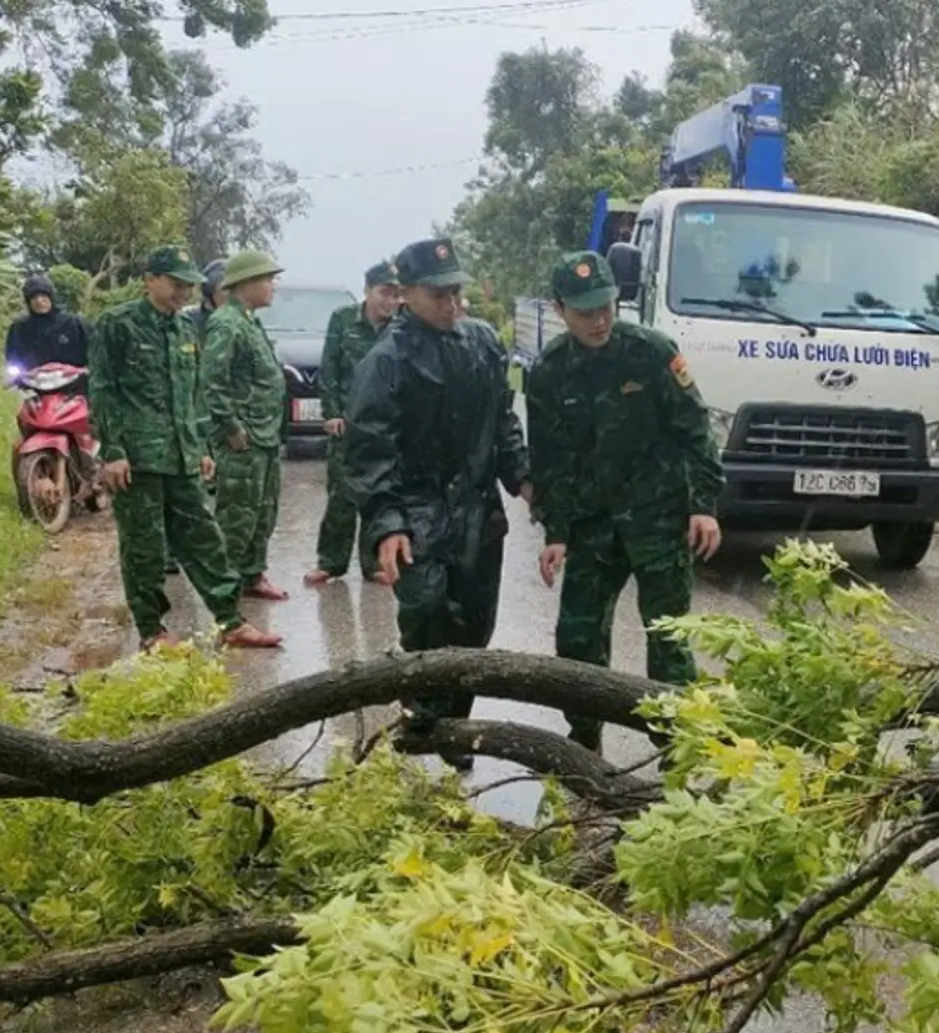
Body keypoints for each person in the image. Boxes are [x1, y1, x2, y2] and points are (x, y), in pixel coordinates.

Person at [525, 250, 724, 753]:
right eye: (586, 310)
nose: (599, 320)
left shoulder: (652, 353)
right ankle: (584, 740)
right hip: (593, 526)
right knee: (578, 639)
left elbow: (696, 431)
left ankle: (674, 750)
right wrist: (555, 532)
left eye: (607, 306)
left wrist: (703, 505)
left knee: (668, 640)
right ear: (560, 308)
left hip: (658, 520)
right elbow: (550, 461)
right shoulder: (549, 371)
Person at [343, 237, 530, 770]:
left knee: (473, 626)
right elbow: (369, 449)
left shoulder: (483, 343)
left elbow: (502, 422)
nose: (451, 304)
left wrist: (521, 476)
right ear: (406, 294)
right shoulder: (387, 360)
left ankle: (454, 730)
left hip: (476, 509)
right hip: (416, 509)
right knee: (426, 614)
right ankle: (419, 720)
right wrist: (386, 525)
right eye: (438, 294)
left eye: (457, 292)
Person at [88, 244, 281, 651]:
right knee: (145, 548)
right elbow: (103, 390)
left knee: (203, 539)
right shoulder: (116, 324)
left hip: (182, 456)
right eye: (176, 284)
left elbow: (192, 393)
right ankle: (152, 631)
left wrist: (202, 448)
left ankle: (231, 621)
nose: (184, 293)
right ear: (150, 281)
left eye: (189, 286)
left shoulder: (185, 329)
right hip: (137, 459)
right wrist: (114, 451)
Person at [306, 259, 404, 587]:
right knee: (341, 495)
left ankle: (374, 562)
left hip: (386, 427)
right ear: (367, 291)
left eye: (396, 294)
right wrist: (331, 413)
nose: (391, 301)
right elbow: (329, 368)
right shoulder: (344, 319)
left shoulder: (402, 326)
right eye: (384, 293)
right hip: (348, 424)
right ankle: (330, 562)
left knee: (380, 493)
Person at [203, 249, 290, 602]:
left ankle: (253, 575)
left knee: (263, 512)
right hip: (245, 438)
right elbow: (211, 382)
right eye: (267, 280)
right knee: (237, 517)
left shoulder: (250, 321)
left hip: (264, 435)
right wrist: (231, 427)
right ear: (246, 284)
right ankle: (225, 590)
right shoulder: (227, 323)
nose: (273, 286)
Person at [166, 258, 226, 577]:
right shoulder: (190, 323)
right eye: (222, 289)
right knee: (186, 489)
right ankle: (170, 552)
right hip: (188, 414)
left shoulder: (240, 322)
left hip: (218, 413)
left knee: (217, 488)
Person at [5, 274, 90, 374]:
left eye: (43, 296)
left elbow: (94, 353)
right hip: (32, 382)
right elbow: (12, 359)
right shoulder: (19, 328)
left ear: (51, 297)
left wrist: (84, 370)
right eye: (34, 297)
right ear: (28, 302)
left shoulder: (74, 323)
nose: (39, 301)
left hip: (73, 380)